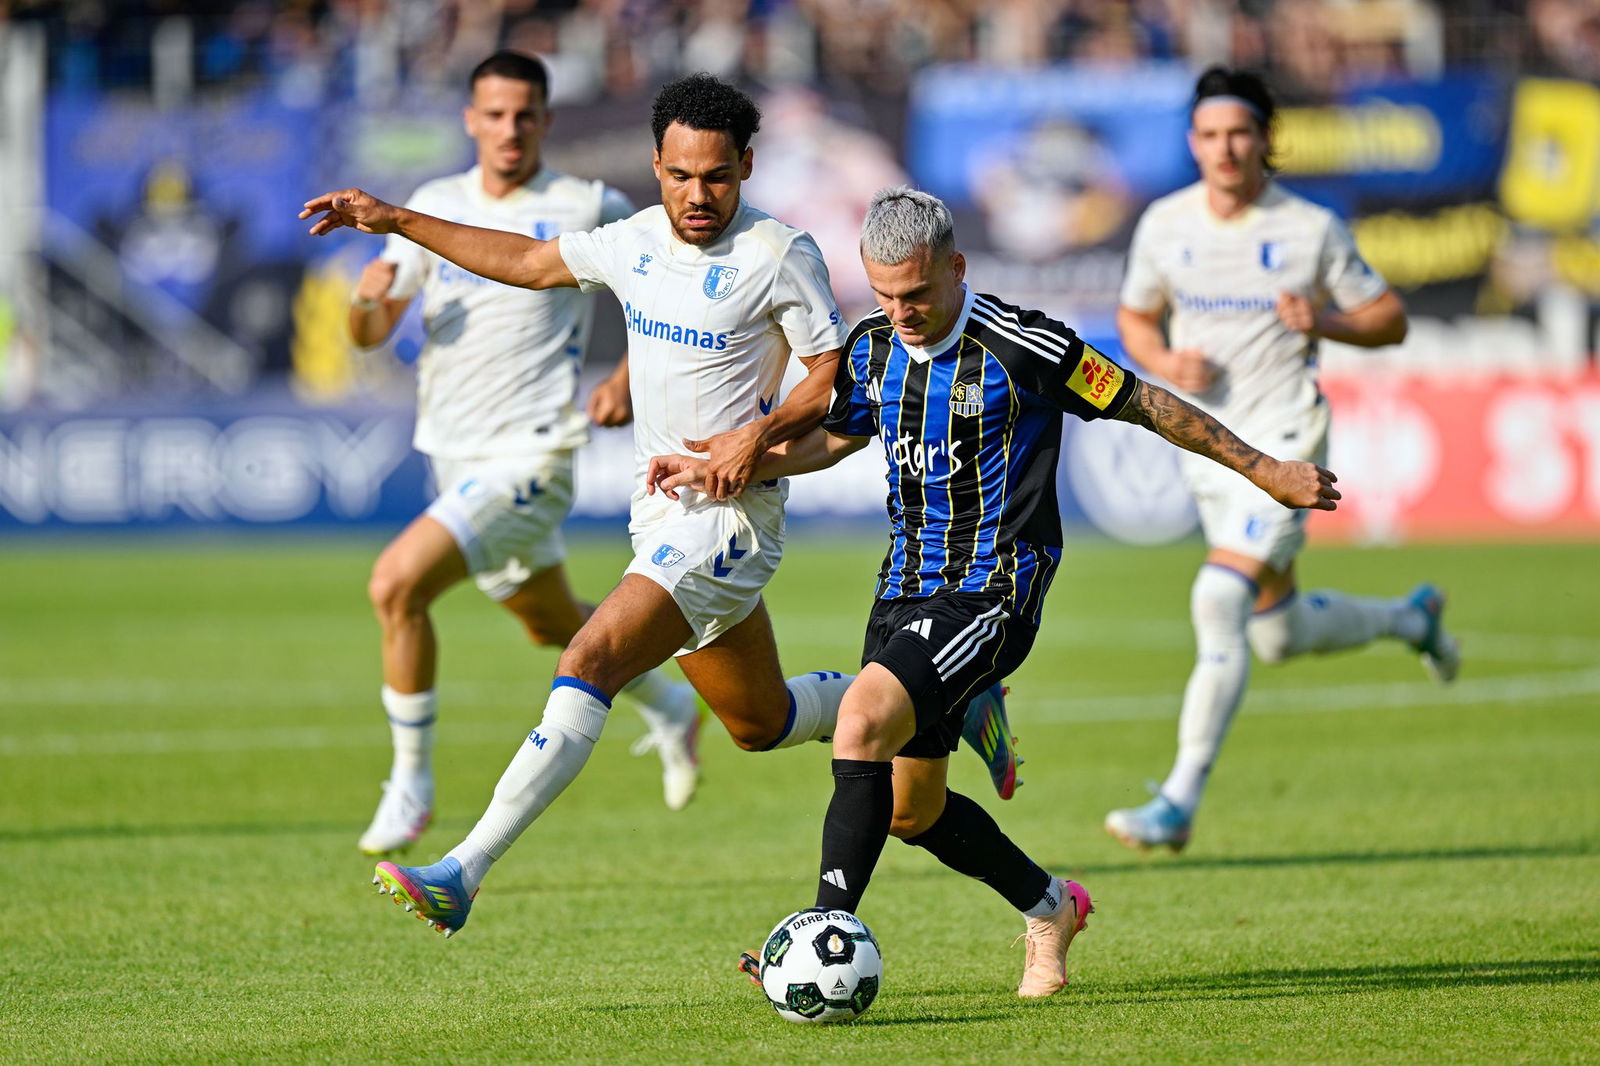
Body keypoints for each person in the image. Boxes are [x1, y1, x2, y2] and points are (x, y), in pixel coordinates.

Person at [302, 74, 1018, 937]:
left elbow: (836, 376)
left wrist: (754, 439)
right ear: (657, 167)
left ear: (747, 167)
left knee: (591, 656)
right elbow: (528, 264)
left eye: (716, 176)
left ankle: (464, 869)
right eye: (680, 175)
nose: (698, 194)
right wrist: (396, 220)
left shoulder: (779, 253)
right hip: (663, 515)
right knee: (762, 723)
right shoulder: (634, 241)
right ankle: (937, 698)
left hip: (729, 523)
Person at [648, 186, 1339, 997]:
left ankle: (818, 934)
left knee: (862, 722)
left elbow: (1144, 401)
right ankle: (1051, 907)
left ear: (956, 268)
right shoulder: (872, 347)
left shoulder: (1024, 346)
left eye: (916, 294)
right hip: (904, 590)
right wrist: (735, 466)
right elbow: (838, 437)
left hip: (995, 590)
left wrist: (1268, 471)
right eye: (883, 295)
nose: (900, 312)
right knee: (911, 812)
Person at [342, 52, 700, 857]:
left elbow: (676, 285)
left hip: (535, 454)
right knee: (550, 625)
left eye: (525, 114)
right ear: (471, 119)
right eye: (494, 114)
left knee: (396, 586)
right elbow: (369, 331)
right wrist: (365, 302)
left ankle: (410, 786)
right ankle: (668, 705)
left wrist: (627, 376)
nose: (510, 129)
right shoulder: (434, 206)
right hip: (453, 452)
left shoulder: (586, 203)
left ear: (545, 118)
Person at [1103, 67, 1461, 853]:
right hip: (1209, 450)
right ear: (1193, 144)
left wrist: (1327, 322)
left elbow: (1391, 320)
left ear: (1267, 138)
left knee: (1217, 600)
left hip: (1288, 443)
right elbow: (1134, 315)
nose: (1225, 148)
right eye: (1209, 135)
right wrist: (1163, 353)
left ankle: (1177, 799)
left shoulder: (1310, 228)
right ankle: (1411, 617)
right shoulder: (1165, 224)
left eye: (1239, 133)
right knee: (1276, 633)